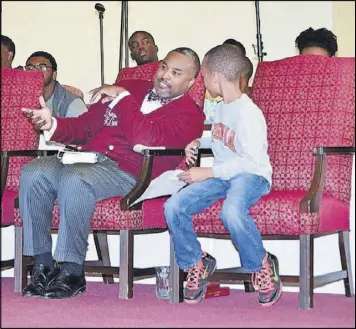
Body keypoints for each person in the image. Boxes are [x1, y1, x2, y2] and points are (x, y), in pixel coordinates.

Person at [19, 47, 205, 300]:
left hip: (132, 173)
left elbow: (145, 138)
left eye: (176, 73)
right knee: (33, 172)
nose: (165, 75)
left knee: (76, 179)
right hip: (87, 159)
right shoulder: (131, 89)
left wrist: (122, 98)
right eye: (163, 67)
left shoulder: (189, 114)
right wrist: (51, 123)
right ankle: (42, 265)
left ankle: (71, 270)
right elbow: (84, 127)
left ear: (191, 82)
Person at [164, 44, 282, 307]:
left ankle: (260, 264)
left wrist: (208, 171)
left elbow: (249, 160)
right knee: (174, 206)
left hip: (251, 175)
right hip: (224, 174)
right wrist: (198, 143)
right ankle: (197, 262)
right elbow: (224, 144)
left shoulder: (248, 112)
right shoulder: (221, 108)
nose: (203, 82)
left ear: (215, 77)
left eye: (204, 77)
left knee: (231, 212)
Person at [25, 51, 88, 149]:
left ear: (54, 74)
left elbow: (83, 139)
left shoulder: (71, 102)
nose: (35, 71)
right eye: (30, 68)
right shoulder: (19, 99)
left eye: (42, 67)